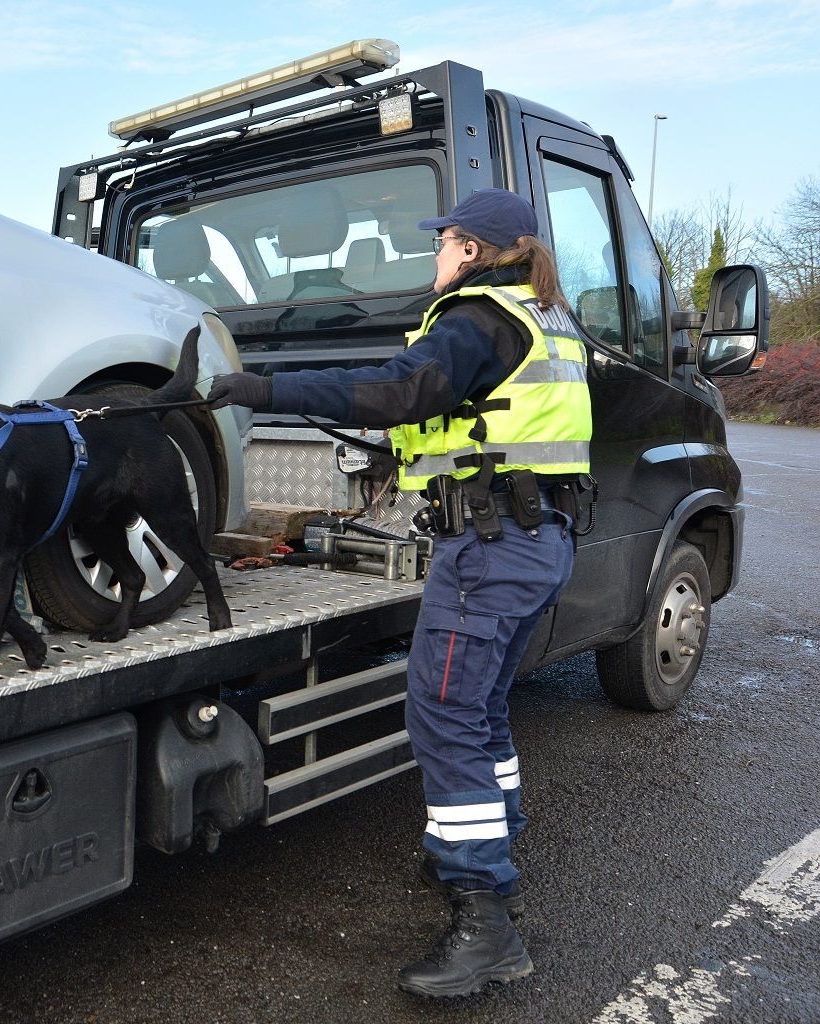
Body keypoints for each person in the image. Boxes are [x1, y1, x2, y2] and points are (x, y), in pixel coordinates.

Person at [209, 188, 592, 998]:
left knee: (444, 713)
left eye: (442, 242)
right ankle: (492, 852)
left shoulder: (475, 318)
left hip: (490, 548)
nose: (435, 255)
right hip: (538, 539)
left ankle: (484, 915)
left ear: (472, 250)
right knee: (480, 708)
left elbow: (394, 390)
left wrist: (264, 389)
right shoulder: (546, 317)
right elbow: (479, 418)